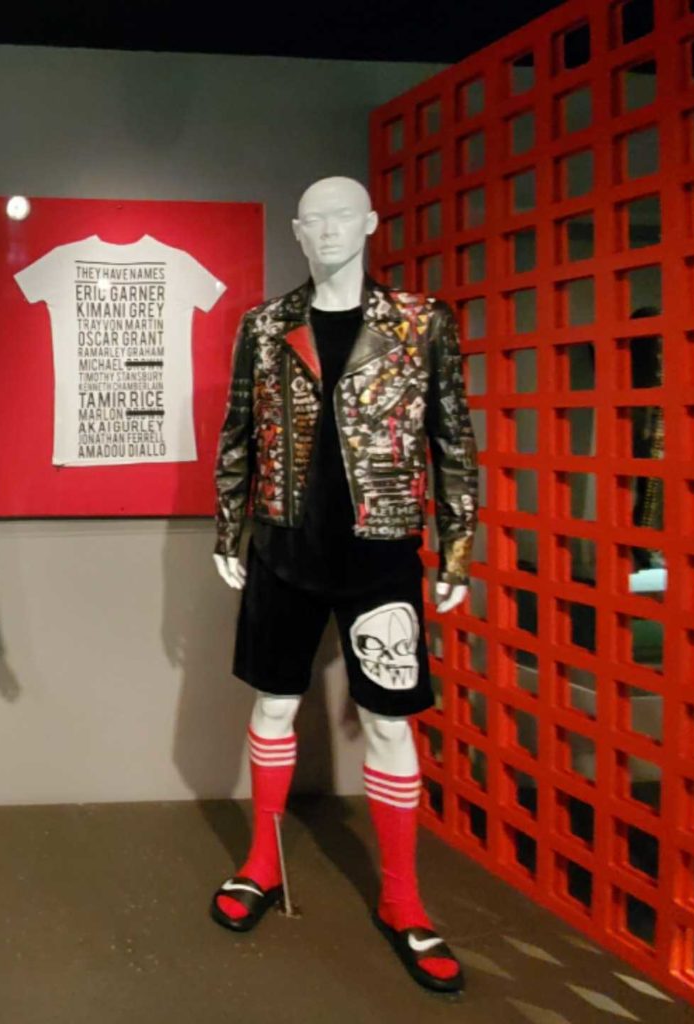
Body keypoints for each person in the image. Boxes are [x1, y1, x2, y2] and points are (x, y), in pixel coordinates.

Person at [209, 176, 478, 992]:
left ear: (369, 224)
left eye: (342, 217)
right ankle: (262, 862)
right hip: (283, 541)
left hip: (381, 546)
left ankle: (403, 899)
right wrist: (229, 528)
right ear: (296, 231)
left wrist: (458, 545)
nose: (328, 231)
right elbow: (237, 431)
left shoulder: (421, 323)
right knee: (274, 703)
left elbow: (452, 433)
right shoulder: (265, 325)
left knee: (390, 722)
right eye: (314, 220)